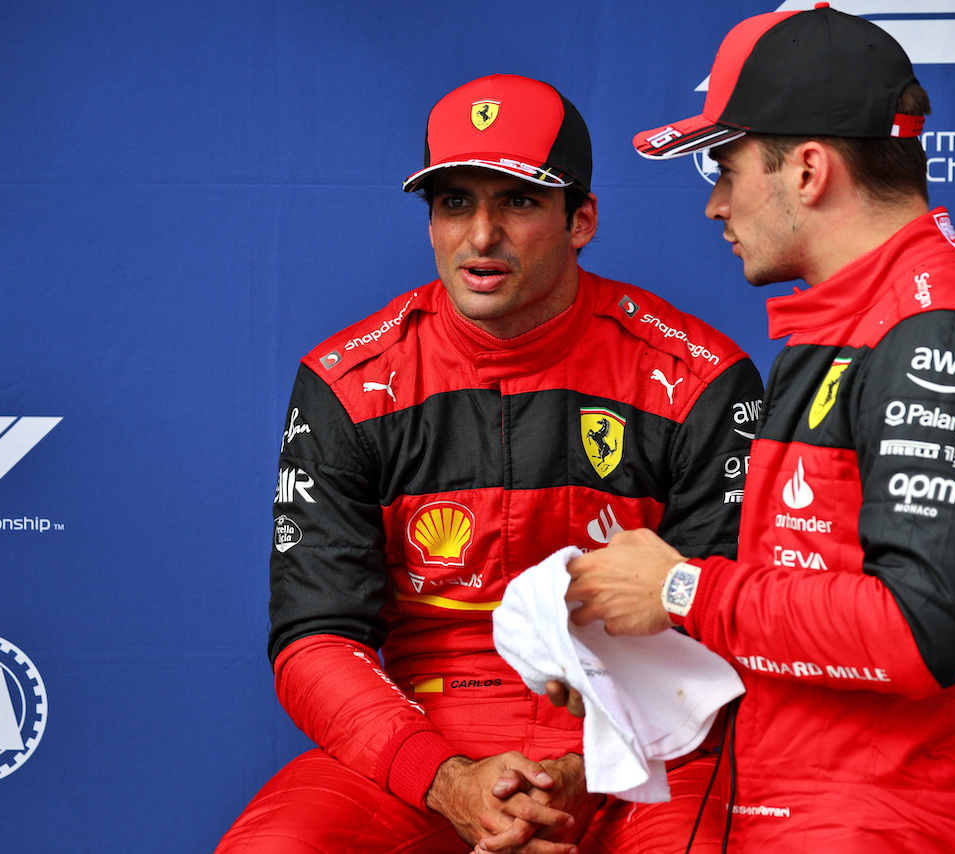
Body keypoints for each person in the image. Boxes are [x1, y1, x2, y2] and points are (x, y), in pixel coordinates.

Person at [215, 73, 764, 854]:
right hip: (424, 747)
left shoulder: (699, 378)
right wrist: (451, 780)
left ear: (582, 221)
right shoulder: (347, 382)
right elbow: (315, 638)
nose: (480, 236)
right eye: (454, 204)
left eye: (518, 201)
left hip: (645, 750)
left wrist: (585, 766)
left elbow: (727, 625)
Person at [561, 7, 955, 853]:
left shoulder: (935, 334)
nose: (716, 204)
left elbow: (914, 634)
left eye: (727, 167)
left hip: (882, 825)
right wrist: (637, 666)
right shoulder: (844, 331)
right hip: (802, 813)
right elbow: (804, 603)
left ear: (809, 170)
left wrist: (683, 590)